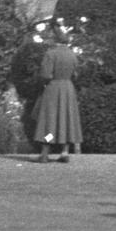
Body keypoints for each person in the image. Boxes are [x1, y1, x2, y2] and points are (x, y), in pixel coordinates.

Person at [36, 21, 83, 162]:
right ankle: (64, 152)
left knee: (49, 120)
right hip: (68, 88)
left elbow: (45, 74)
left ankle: (45, 151)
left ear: (55, 40)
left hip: (53, 88)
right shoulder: (72, 55)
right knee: (66, 120)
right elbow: (76, 74)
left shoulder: (51, 54)